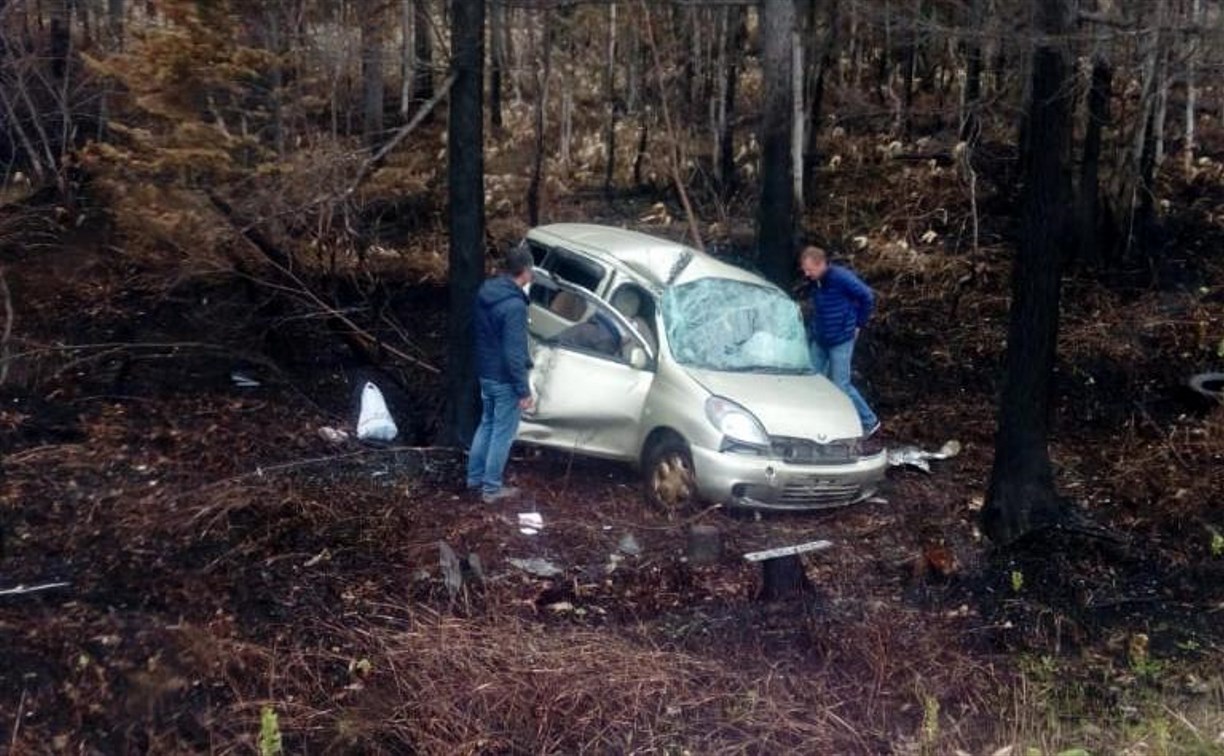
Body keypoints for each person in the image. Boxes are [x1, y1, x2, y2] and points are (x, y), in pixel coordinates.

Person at [467, 245, 535, 503]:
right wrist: (523, 390)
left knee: (486, 425)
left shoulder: (486, 291)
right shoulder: (515, 306)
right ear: (526, 272)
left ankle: (474, 479)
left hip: (485, 373)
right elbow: (513, 353)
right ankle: (491, 489)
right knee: (502, 434)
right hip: (505, 378)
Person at [799, 244, 881, 436]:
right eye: (805, 270)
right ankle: (817, 421)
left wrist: (858, 324)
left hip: (841, 339)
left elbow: (867, 296)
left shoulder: (840, 277)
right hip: (821, 339)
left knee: (841, 384)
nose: (806, 274)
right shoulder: (816, 281)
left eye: (809, 270)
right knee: (811, 380)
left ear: (821, 265)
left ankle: (870, 421)